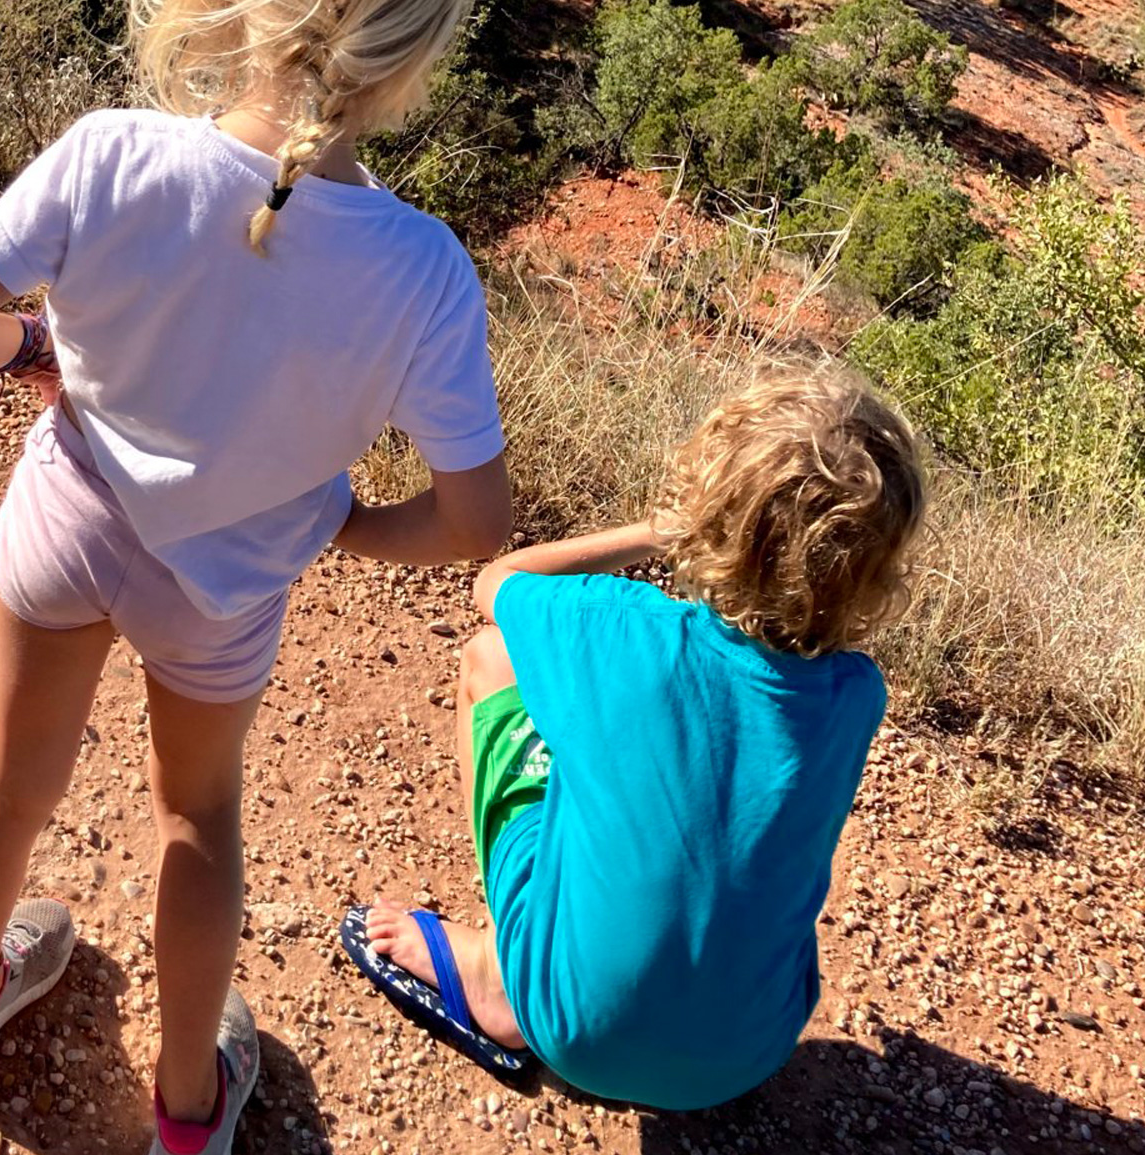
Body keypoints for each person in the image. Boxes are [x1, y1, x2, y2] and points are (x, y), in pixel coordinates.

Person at [0, 0, 513, 1155]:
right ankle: (180, 1117)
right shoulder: (422, 275)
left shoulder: (113, 155)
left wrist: (31, 346)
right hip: (223, 590)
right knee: (194, 824)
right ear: (417, 47)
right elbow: (479, 529)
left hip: (61, 529)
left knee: (6, 780)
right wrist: (346, 527)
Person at [346, 362, 924, 1110]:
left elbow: (497, 583)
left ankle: (496, 979)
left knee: (490, 662)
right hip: (751, 1053)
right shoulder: (854, 697)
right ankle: (687, 1022)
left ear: (714, 510)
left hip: (577, 1027)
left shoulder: (626, 630)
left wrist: (658, 532)